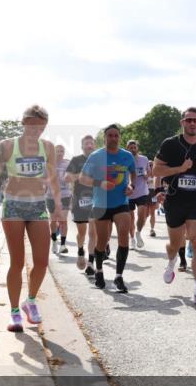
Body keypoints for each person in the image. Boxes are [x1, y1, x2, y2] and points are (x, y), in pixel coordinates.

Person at [0, 105, 64, 331]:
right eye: (31, 125)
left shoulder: (48, 147)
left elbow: (53, 180)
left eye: (40, 126)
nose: (35, 130)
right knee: (17, 262)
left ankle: (30, 301)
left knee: (42, 262)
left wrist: (58, 208)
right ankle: (13, 313)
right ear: (23, 123)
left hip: (38, 205)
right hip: (13, 206)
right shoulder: (7, 146)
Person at [154, 107, 196, 305]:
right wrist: (180, 169)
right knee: (174, 245)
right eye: (189, 120)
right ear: (182, 122)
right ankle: (172, 260)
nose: (192, 123)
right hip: (174, 199)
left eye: (195, 121)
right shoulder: (170, 144)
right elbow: (156, 169)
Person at [79, 125, 137, 293]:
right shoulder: (96, 156)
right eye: (110, 135)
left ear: (120, 137)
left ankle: (119, 276)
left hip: (121, 203)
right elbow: (83, 178)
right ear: (104, 138)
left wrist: (132, 185)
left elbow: (133, 173)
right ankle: (99, 271)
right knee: (102, 242)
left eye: (116, 135)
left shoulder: (126, 156)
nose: (113, 138)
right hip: (101, 204)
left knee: (123, 238)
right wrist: (99, 183)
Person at [65, 135, 98, 274]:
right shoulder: (76, 160)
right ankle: (80, 251)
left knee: (93, 232)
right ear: (82, 146)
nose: (89, 145)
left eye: (91, 143)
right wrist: (81, 174)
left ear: (94, 145)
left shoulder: (99, 160)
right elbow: (67, 178)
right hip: (79, 200)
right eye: (86, 143)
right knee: (82, 232)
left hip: (96, 199)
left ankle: (91, 262)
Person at [126, 140, 153, 249]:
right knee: (130, 218)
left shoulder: (144, 159)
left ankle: (138, 233)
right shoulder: (124, 159)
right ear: (127, 148)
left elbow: (149, 172)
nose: (133, 149)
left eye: (134, 147)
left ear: (137, 148)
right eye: (130, 147)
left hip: (142, 191)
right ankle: (132, 238)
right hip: (129, 192)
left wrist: (147, 176)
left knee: (142, 215)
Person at [46, 145, 71, 253]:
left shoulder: (68, 163)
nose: (60, 153)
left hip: (65, 195)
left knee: (63, 220)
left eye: (62, 151)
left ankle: (63, 245)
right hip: (51, 196)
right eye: (58, 151)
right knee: (53, 220)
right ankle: (54, 241)